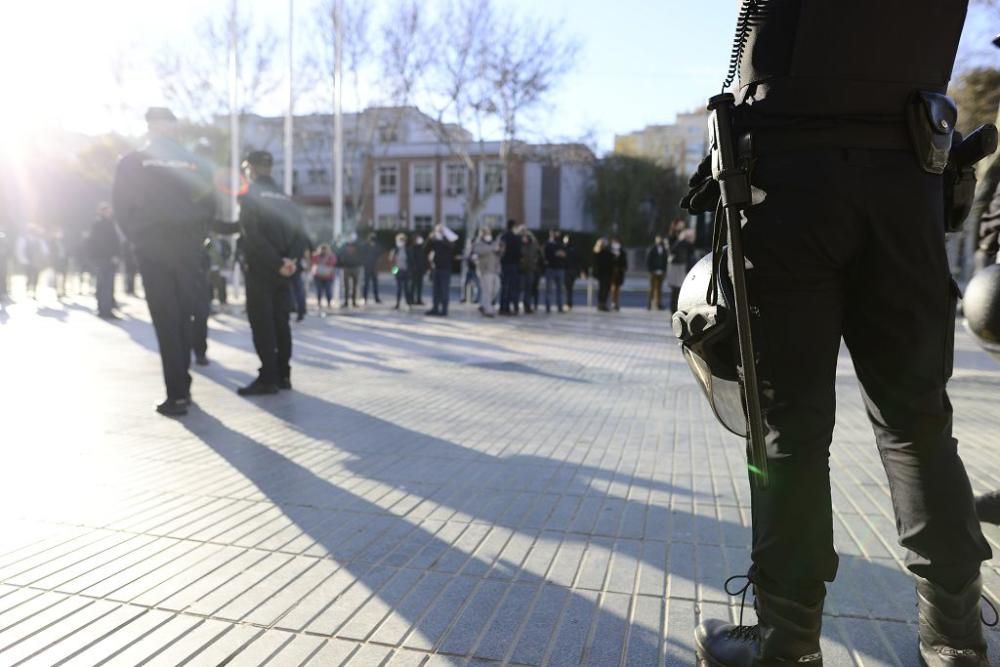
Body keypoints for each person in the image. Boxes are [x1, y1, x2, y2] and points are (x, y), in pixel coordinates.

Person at [685, 5, 996, 666]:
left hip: (788, 177)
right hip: (909, 174)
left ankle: (788, 645)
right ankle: (956, 642)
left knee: (789, 429)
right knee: (917, 422)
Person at [113, 107, 216, 416]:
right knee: (185, 317)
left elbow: (121, 207)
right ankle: (182, 385)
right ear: (173, 128)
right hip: (187, 249)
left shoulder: (132, 162)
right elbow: (210, 205)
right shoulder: (196, 164)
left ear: (149, 127)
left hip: (154, 250)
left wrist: (139, 240)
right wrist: (196, 238)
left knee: (166, 320)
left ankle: (178, 394)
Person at [235, 151, 304, 396]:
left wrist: (275, 262)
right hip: (285, 271)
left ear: (251, 168)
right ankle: (284, 375)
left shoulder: (250, 195)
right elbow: (300, 234)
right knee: (281, 323)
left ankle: (268, 378)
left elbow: (252, 235)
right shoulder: (286, 198)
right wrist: (290, 261)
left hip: (261, 269)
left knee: (263, 323)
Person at [87, 202, 121, 319]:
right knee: (104, 284)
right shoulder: (99, 224)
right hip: (104, 258)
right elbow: (102, 242)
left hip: (107, 258)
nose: (109, 212)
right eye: (107, 211)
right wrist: (112, 255)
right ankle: (104, 309)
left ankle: (107, 308)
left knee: (108, 284)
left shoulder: (108, 223)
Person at [426, 224, 455, 317]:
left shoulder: (448, 241)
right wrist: (430, 238)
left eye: (440, 231)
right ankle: (435, 308)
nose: (438, 232)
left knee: (444, 290)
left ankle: (444, 310)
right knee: (435, 290)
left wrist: (443, 237)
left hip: (445, 269)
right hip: (435, 269)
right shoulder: (434, 241)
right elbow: (425, 249)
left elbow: (452, 247)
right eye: (437, 231)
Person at [473, 228, 501, 317]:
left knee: (496, 288)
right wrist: (493, 247)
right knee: (487, 291)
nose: (488, 235)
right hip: (485, 270)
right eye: (486, 233)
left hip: (494, 270)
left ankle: (483, 305)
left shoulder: (493, 243)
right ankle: (488, 310)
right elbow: (479, 251)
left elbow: (497, 256)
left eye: (489, 233)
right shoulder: (479, 243)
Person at [16, 225, 49, 298]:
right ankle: (28, 290)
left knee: (36, 276)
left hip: (37, 262)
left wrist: (42, 259)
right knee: (29, 276)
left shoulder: (39, 240)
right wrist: (24, 260)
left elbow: (45, 251)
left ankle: (34, 291)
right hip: (28, 261)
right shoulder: (24, 239)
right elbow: (20, 250)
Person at [667, 228, 695, 313]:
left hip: (677, 273)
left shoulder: (678, 244)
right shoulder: (686, 245)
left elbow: (671, 252)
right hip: (682, 272)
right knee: (679, 295)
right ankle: (678, 312)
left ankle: (674, 313)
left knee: (675, 295)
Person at [499, 219, 522, 315]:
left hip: (504, 264)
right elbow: (519, 252)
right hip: (513, 264)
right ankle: (508, 307)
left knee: (504, 286)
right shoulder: (515, 238)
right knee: (512, 287)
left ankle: (502, 307)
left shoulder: (503, 236)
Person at [543, 230, 566, 313]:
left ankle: (560, 307)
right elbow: (548, 256)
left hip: (560, 269)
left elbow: (563, 254)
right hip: (550, 269)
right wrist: (556, 254)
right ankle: (548, 307)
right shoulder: (548, 244)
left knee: (560, 290)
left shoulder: (560, 243)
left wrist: (556, 254)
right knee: (548, 289)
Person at [520, 230, 542, 314]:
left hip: (531, 270)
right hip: (521, 270)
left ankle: (527, 306)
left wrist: (535, 263)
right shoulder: (520, 245)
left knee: (529, 289)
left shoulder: (533, 245)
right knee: (520, 289)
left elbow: (539, 255)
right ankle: (517, 305)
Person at [337, 234, 362, 307]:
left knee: (355, 286)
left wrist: (359, 263)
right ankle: (346, 302)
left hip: (355, 268)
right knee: (346, 287)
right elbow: (340, 255)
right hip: (346, 268)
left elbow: (362, 255)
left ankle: (354, 302)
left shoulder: (358, 247)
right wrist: (342, 264)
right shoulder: (344, 247)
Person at [311, 244, 336, 313]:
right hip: (318, 276)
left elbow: (333, 263)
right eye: (322, 249)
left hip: (328, 276)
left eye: (325, 249)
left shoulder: (331, 256)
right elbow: (313, 262)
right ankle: (319, 303)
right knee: (319, 290)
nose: (323, 251)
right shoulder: (316, 256)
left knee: (328, 290)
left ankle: (329, 303)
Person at [389, 233, 411, 309]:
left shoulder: (408, 250)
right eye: (399, 240)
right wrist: (394, 272)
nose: (400, 242)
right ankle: (397, 304)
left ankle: (408, 303)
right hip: (398, 270)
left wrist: (410, 271)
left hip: (405, 271)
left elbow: (411, 261)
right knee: (399, 288)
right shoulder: (395, 249)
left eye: (402, 240)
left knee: (406, 288)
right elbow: (392, 261)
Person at [646, 235, 669, 310]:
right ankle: (649, 304)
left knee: (659, 288)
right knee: (652, 288)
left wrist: (664, 270)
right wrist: (651, 270)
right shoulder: (652, 249)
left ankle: (658, 304)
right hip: (653, 271)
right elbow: (649, 260)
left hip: (661, 271)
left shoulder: (664, 249)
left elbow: (665, 260)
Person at [361, 233, 382, 304]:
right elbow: (362, 254)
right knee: (366, 283)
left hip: (374, 267)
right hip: (367, 267)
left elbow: (379, 255)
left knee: (375, 283)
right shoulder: (365, 246)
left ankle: (376, 298)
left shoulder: (377, 246)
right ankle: (364, 298)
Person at [592, 238, 612, 311]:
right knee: (602, 289)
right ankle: (601, 304)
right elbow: (596, 264)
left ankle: (603, 303)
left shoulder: (608, 253)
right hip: (602, 274)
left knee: (606, 289)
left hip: (607, 273)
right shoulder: (598, 253)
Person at [608, 238, 627, 311]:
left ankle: (616, 303)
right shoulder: (610, 251)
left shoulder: (622, 251)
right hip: (612, 272)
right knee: (612, 288)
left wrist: (622, 268)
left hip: (619, 272)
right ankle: (612, 302)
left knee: (618, 289)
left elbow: (624, 262)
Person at [409, 234, 428, 305]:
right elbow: (411, 260)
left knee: (420, 285)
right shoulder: (411, 248)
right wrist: (413, 268)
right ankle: (411, 299)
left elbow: (423, 259)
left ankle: (419, 299)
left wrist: (425, 268)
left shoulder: (421, 248)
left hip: (420, 270)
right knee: (413, 285)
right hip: (414, 271)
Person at [563, 234, 580, 310]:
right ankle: (569, 302)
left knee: (568, 288)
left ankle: (568, 303)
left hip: (568, 271)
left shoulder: (565, 249)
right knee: (569, 288)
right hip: (572, 271)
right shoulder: (575, 249)